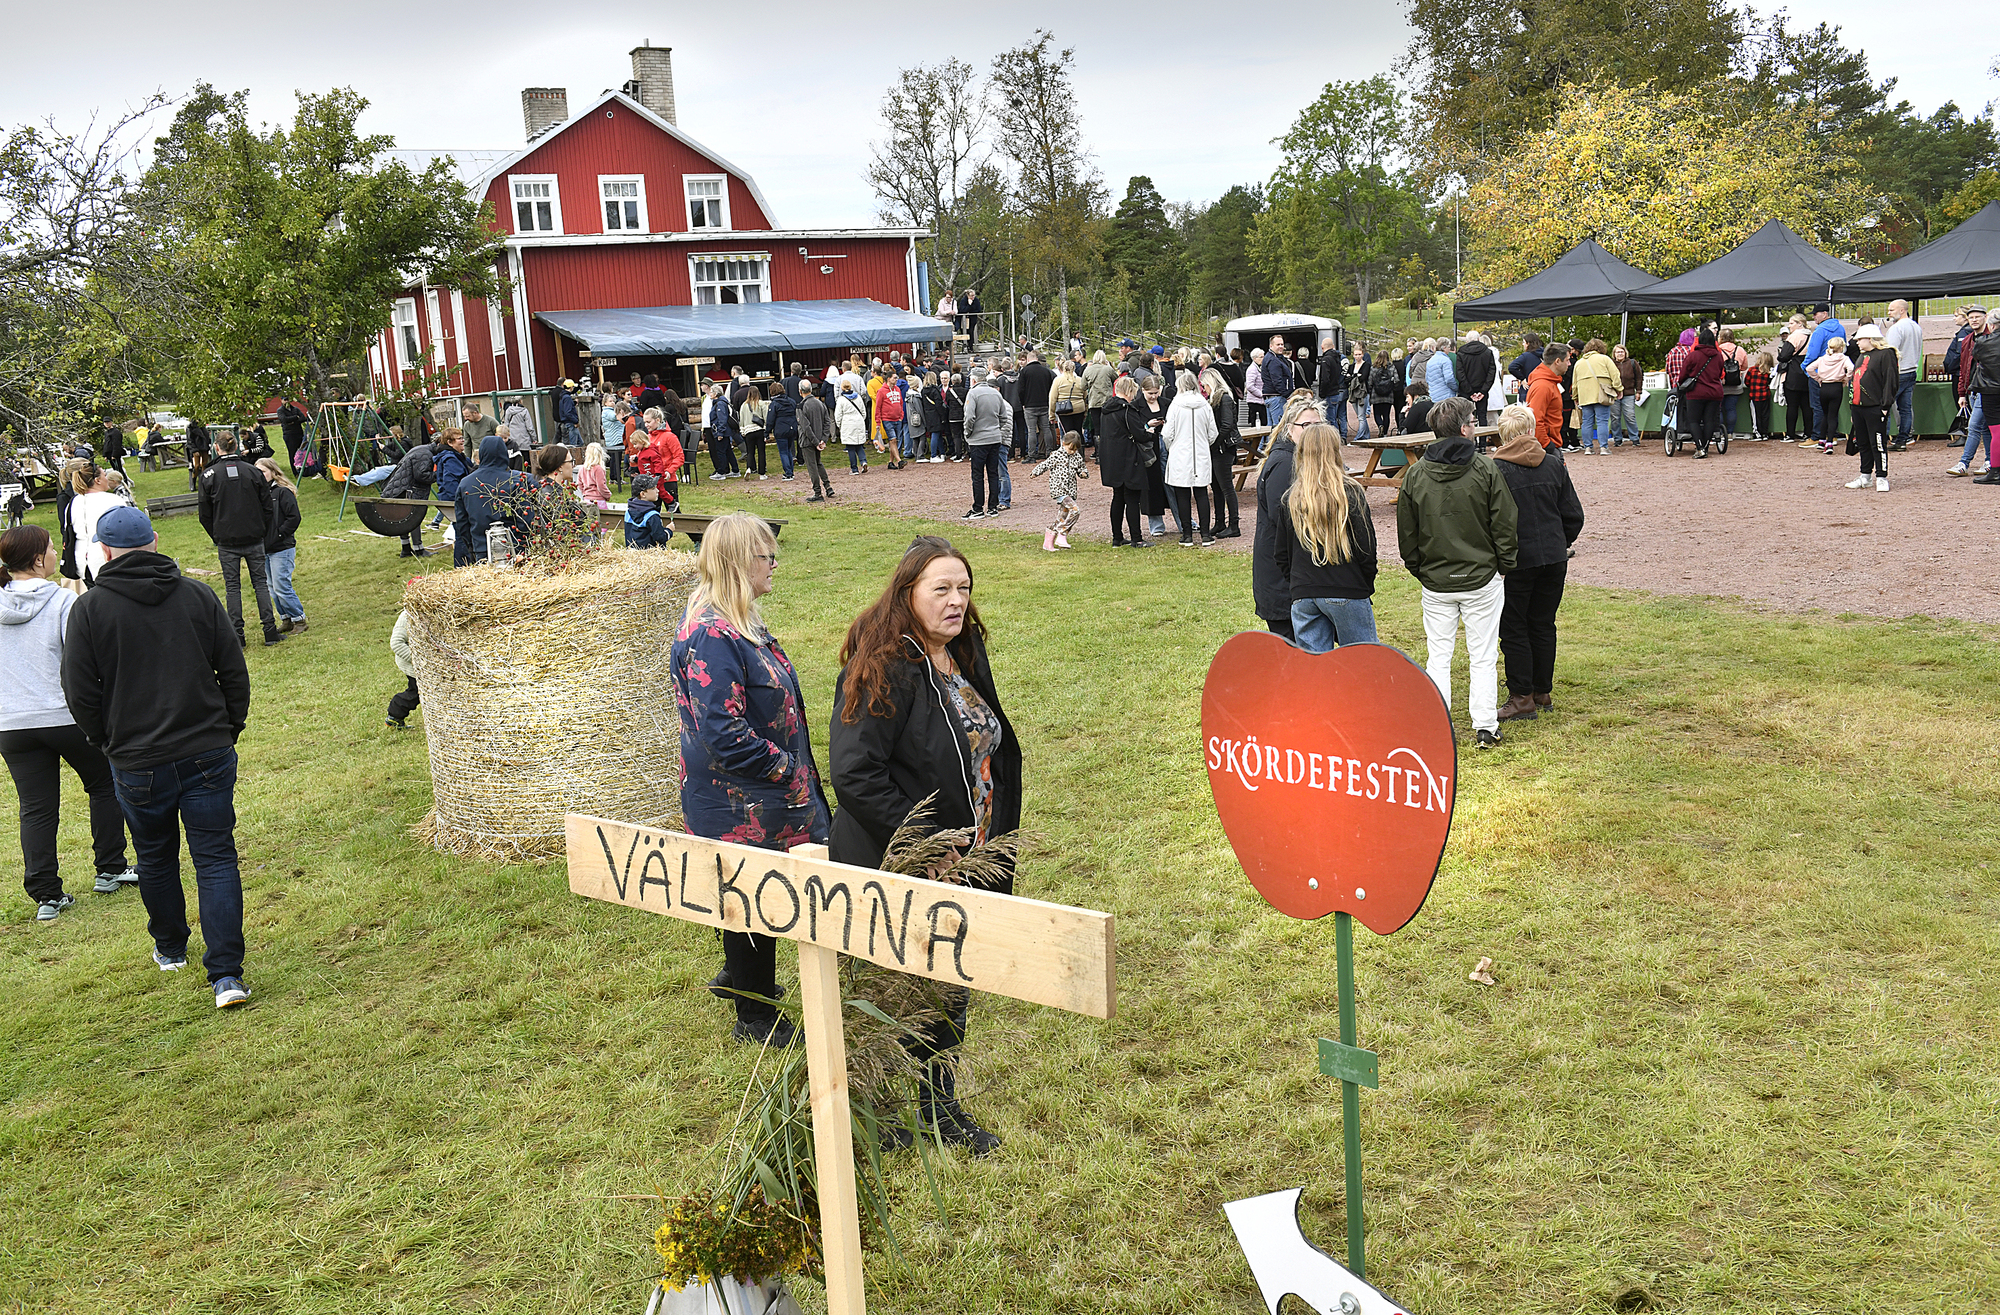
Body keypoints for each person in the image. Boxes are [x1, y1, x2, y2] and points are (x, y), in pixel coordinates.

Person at [829, 535, 1018, 1156]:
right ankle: (874, 1115)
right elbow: (856, 774)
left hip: (969, 856)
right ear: (907, 593)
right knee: (889, 990)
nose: (956, 600)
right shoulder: (883, 664)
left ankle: (939, 1108)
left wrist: (986, 847)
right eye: (941, 588)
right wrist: (924, 846)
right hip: (898, 860)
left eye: (963, 588)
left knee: (949, 982)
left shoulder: (962, 653)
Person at [60, 506, 254, 1007]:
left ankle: (180, 952)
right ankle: (220, 970)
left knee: (157, 856)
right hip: (190, 750)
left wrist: (110, 741)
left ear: (103, 551)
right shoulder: (190, 596)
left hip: (149, 757)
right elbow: (233, 671)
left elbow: (79, 694)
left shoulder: (96, 609)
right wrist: (226, 727)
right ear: (154, 541)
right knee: (213, 857)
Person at [671, 513, 829, 1049]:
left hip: (757, 798)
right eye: (766, 555)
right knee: (752, 900)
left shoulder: (736, 621)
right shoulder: (713, 635)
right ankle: (755, 1017)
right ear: (741, 562)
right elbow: (724, 732)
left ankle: (739, 979)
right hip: (741, 803)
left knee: (747, 897)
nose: (775, 563)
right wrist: (787, 769)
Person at [2, 524, 134, 921]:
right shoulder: (64, 602)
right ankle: (110, 867)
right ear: (39, 559)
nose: (59, 551)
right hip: (63, 716)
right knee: (104, 784)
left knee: (36, 809)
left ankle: (46, 894)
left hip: (11, 724)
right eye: (51, 548)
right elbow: (82, 664)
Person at [1395, 397, 1519, 750]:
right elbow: (1505, 525)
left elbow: (1408, 532)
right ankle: (1484, 724)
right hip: (1474, 577)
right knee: (1481, 655)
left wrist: (1420, 567)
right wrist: (1503, 565)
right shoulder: (1482, 468)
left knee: (1440, 654)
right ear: (1465, 427)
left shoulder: (1420, 473)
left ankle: (1441, 724)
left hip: (1450, 578)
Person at [1488, 405, 1583, 722]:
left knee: (1514, 627)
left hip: (1518, 560)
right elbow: (1573, 515)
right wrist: (1560, 542)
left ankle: (1523, 696)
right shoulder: (1554, 465)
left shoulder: (1495, 471)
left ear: (1503, 435)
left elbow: (1490, 520)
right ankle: (1540, 690)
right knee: (1543, 623)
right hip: (1553, 557)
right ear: (1530, 430)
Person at [1278, 423, 1377, 651]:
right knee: (1362, 663)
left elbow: (1281, 554)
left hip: (1305, 592)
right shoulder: (1350, 493)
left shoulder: (1291, 499)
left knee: (1315, 673)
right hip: (1346, 587)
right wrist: (1364, 585)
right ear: (1335, 451)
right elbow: (1366, 549)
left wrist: (1298, 585)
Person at [197, 432, 285, 647]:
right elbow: (267, 507)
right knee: (260, 584)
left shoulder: (209, 475)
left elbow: (204, 514)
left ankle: (238, 636)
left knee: (232, 587)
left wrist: (217, 535)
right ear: (236, 446)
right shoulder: (253, 472)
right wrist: (261, 530)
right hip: (253, 536)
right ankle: (270, 631)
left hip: (227, 540)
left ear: (217, 448)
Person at [1251, 395, 1325, 639]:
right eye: (1306, 426)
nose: (1312, 431)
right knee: (1295, 653)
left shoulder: (1299, 458)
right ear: (1289, 428)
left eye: (1317, 425)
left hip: (1291, 576)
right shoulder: (1285, 462)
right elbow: (1283, 518)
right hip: (1281, 577)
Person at [453, 436, 534, 567]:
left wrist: (472, 546)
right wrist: (524, 542)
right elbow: (525, 519)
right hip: (514, 548)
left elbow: (462, 522)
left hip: (481, 546)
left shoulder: (465, 484)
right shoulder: (515, 481)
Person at [1098, 376, 1153, 547]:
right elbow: (1139, 434)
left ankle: (1117, 537)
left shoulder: (1106, 409)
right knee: (1132, 500)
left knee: (1117, 498)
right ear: (1129, 391)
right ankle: (1136, 538)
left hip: (1111, 458)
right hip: (1129, 458)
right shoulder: (1127, 410)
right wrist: (1149, 431)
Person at [1162, 371, 1216, 546]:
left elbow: (1167, 434)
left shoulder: (1175, 406)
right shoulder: (1205, 405)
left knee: (1182, 495)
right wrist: (1203, 444)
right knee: (1201, 494)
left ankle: (1187, 535)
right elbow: (1213, 433)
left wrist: (1172, 447)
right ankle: (1206, 534)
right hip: (1200, 453)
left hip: (1180, 453)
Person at [255, 458, 306, 634]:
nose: (260, 476)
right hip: (265, 548)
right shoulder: (258, 494)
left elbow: (294, 518)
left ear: (273, 472)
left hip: (282, 548)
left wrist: (279, 534)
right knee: (272, 587)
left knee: (281, 585)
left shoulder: (283, 492)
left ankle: (299, 618)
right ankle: (286, 618)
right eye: (257, 472)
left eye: (263, 471)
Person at [1846, 323, 1899, 492]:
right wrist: (1852, 407)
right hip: (1858, 407)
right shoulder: (1862, 356)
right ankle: (1865, 475)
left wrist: (1885, 405)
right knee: (1862, 443)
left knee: (1878, 443)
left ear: (1870, 339)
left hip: (1875, 407)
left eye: (1860, 339)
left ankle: (1882, 476)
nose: (1857, 343)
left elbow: (1890, 380)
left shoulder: (1886, 354)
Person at [961, 367, 1009, 518]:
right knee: (993, 473)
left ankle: (978, 508)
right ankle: (993, 507)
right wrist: (996, 429)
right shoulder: (996, 393)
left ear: (974, 380)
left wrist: (968, 433)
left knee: (977, 475)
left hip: (978, 439)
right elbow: (1004, 417)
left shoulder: (973, 393)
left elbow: (969, 417)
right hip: (995, 437)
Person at [69, 462, 124, 586]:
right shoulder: (113, 500)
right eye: (105, 475)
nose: (107, 478)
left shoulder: (73, 503)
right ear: (98, 480)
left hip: (81, 560)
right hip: (107, 559)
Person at [1204, 367, 1243, 539]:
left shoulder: (1224, 398)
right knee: (1217, 487)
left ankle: (1234, 524)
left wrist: (1215, 443)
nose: (1203, 389)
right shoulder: (1217, 398)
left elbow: (1227, 425)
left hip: (1224, 448)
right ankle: (1220, 521)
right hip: (1219, 447)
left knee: (1226, 487)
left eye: (1204, 385)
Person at [1031, 432, 1087, 551]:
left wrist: (1083, 473)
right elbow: (1045, 465)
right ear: (1063, 444)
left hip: (1070, 491)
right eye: (1071, 448)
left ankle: (1048, 543)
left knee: (1062, 517)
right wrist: (1036, 472)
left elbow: (1082, 467)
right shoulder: (1056, 455)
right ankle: (1062, 534)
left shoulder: (1077, 456)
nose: (1073, 451)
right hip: (1059, 490)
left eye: (1075, 449)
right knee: (1075, 510)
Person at [1882, 300, 1922, 450]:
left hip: (1898, 372)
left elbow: (1890, 353)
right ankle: (1903, 439)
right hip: (1912, 370)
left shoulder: (1896, 328)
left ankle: (1883, 438)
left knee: (1885, 405)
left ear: (1902, 310)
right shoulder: (1916, 326)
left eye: (1892, 310)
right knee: (1905, 408)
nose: (1889, 313)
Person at [1803, 304, 1846, 444]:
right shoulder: (1840, 328)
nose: (1814, 316)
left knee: (1817, 406)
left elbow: (1812, 353)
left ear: (1824, 314)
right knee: (1833, 408)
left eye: (1816, 314)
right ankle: (1831, 435)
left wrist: (1804, 367)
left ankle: (1817, 436)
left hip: (1820, 373)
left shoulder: (1819, 331)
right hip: (1837, 374)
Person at [1681, 328, 1726, 459]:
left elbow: (1683, 374)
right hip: (1715, 392)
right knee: (1709, 421)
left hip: (1696, 393)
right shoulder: (1718, 356)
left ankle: (1700, 447)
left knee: (1694, 421)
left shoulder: (1693, 355)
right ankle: (1705, 446)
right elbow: (1719, 373)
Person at [1570, 339, 1620, 455]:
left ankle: (1588, 447)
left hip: (1584, 396)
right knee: (1602, 420)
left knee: (1587, 422)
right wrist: (1619, 389)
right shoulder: (1605, 359)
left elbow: (1575, 383)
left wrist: (1576, 397)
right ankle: (1603, 447)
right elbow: (1615, 375)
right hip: (1601, 394)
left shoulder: (1579, 363)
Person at [1806, 336, 1853, 453]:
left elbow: (1809, 368)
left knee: (1825, 414)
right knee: (1833, 415)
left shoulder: (1822, 359)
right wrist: (1846, 379)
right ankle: (1830, 442)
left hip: (1824, 387)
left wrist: (1818, 379)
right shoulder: (1844, 358)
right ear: (1841, 347)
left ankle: (1822, 440)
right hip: (1836, 387)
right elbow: (1851, 368)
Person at [796, 379, 836, 501]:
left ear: (800, 391)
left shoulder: (801, 406)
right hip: (818, 439)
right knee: (818, 463)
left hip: (808, 441)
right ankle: (828, 486)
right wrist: (823, 439)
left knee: (812, 466)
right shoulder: (820, 404)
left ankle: (817, 492)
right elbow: (827, 422)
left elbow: (805, 427)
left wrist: (815, 441)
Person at [1525, 343, 1568, 452]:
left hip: (1549, 444)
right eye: (1567, 360)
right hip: (1546, 446)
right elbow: (1535, 419)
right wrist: (1547, 445)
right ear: (1557, 361)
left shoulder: (1548, 383)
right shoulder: (1543, 386)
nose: (1569, 364)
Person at [385, 608, 421, 731]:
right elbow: (396, 643)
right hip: (414, 665)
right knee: (416, 692)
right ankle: (394, 715)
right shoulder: (407, 616)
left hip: (426, 664)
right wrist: (419, 661)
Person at [623, 474, 676, 548]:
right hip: (650, 555)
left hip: (633, 554)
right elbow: (660, 538)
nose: (657, 491)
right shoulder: (652, 516)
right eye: (653, 488)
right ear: (643, 494)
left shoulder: (628, 512)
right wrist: (669, 530)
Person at [1456, 330, 1497, 425]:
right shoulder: (1487, 352)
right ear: (1479, 339)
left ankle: (1466, 438)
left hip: (1465, 391)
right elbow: (1491, 373)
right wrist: (1483, 391)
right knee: (1482, 416)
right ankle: (1482, 439)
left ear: (1467, 341)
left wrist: (1470, 392)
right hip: (1482, 389)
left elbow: (1460, 374)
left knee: (1465, 417)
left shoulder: (1461, 353)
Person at [835, 375, 873, 478]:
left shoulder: (841, 400)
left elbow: (838, 415)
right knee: (859, 444)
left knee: (851, 447)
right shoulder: (858, 397)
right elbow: (863, 411)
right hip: (859, 421)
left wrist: (840, 425)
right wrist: (861, 420)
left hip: (847, 423)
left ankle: (854, 468)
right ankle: (863, 461)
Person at [704, 384, 740, 480]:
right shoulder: (720, 402)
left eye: (711, 392)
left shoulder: (720, 404)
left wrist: (720, 433)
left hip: (722, 431)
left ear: (716, 393)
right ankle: (735, 470)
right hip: (725, 431)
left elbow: (722, 419)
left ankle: (721, 472)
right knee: (728, 451)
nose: (710, 394)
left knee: (721, 452)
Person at [1609, 344, 1642, 447]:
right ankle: (1617, 439)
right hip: (1614, 394)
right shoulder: (1610, 364)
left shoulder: (1632, 363)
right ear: (1614, 354)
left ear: (1625, 353)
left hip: (1629, 393)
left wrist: (1639, 391)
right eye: (1618, 352)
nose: (1620, 354)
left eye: (1621, 352)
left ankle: (1635, 439)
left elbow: (1639, 378)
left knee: (1630, 416)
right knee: (1615, 418)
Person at [737, 384, 770, 480]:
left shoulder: (743, 405)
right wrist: (766, 429)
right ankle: (762, 473)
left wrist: (742, 431)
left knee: (750, 452)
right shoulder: (761, 403)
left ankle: (749, 468)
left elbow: (741, 420)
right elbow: (766, 418)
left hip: (748, 431)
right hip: (759, 430)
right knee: (761, 452)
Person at [1260, 337, 1295, 425]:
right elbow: (1277, 381)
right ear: (1271, 346)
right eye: (1278, 344)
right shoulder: (1273, 360)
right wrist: (1287, 394)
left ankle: (1267, 439)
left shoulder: (1274, 358)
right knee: (1279, 427)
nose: (1280, 347)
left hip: (1272, 397)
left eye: (1282, 344)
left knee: (1270, 428)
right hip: (1276, 398)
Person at [1745, 351, 1774, 442]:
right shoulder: (1769, 372)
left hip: (1754, 396)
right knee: (1765, 415)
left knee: (1755, 415)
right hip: (1765, 395)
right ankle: (1765, 433)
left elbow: (1747, 382)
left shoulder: (1752, 370)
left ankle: (1757, 433)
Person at [275, 399, 310, 477]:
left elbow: (303, 418)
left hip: (299, 433)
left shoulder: (295, 408)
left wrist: (292, 422)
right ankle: (295, 472)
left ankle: (305, 470)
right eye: (285, 400)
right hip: (289, 434)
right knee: (292, 453)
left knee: (303, 451)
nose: (286, 401)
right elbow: (284, 420)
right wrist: (295, 417)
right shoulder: (280, 410)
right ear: (281, 400)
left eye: (288, 400)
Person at [1426, 338, 1459, 404]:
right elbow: (1449, 379)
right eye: (1449, 347)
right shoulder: (1445, 360)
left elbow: (1427, 378)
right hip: (1446, 395)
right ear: (1444, 348)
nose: (1449, 349)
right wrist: (1456, 388)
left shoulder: (1430, 360)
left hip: (1433, 395)